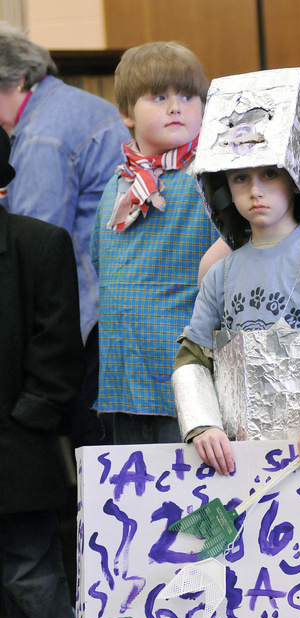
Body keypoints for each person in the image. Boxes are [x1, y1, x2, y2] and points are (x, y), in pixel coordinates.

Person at [171, 68, 300, 475]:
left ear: (294, 178)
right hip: (241, 457)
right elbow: (192, 357)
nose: (255, 190)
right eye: (240, 178)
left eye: (269, 174)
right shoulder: (220, 273)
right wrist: (202, 424)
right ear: (225, 190)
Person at [0, 22, 128, 448]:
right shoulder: (80, 104)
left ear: (17, 80)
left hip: (90, 321)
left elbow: (29, 243)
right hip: (119, 309)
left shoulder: (43, 136)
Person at [91, 41, 219, 445]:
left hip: (188, 377)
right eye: (159, 97)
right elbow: (100, 259)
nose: (176, 107)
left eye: (187, 96)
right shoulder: (119, 183)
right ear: (127, 113)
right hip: (123, 375)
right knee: (132, 495)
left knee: (189, 499)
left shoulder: (213, 180)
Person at [0, 126, 85, 618]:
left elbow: (57, 342)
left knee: (30, 565)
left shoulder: (39, 243)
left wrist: (33, 413)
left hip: (14, 435)